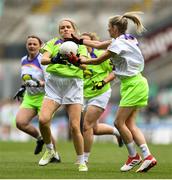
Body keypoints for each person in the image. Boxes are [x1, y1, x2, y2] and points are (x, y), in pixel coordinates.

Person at [70, 12, 157, 173]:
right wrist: (77, 40)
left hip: (133, 85)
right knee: (129, 124)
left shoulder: (117, 45)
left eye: (109, 27)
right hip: (136, 83)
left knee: (118, 123)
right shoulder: (126, 39)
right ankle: (147, 156)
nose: (107, 29)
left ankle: (134, 157)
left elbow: (98, 59)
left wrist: (80, 61)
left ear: (115, 28)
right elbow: (98, 44)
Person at [38, 18, 88, 171]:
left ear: (74, 29)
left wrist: (75, 61)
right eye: (62, 28)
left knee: (74, 126)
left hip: (73, 85)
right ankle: (50, 150)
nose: (65, 29)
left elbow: (85, 64)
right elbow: (44, 60)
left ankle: (81, 161)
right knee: (43, 119)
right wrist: (55, 59)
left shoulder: (80, 45)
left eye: (68, 27)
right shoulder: (53, 43)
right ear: (59, 31)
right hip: (54, 85)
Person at [14, 35, 61, 163]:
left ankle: (55, 155)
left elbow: (51, 81)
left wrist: (38, 84)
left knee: (44, 125)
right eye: (29, 44)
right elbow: (26, 78)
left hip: (44, 97)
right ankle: (40, 138)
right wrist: (23, 88)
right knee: (20, 122)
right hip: (30, 96)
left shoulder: (43, 60)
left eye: (35, 44)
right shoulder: (24, 60)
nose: (32, 46)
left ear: (40, 46)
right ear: (26, 46)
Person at [78, 32, 123, 164]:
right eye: (81, 42)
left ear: (92, 42)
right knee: (94, 129)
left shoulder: (99, 55)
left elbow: (115, 71)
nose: (84, 45)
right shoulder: (77, 58)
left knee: (86, 126)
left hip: (100, 93)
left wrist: (103, 81)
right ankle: (117, 132)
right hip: (85, 95)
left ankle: (84, 159)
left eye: (86, 42)